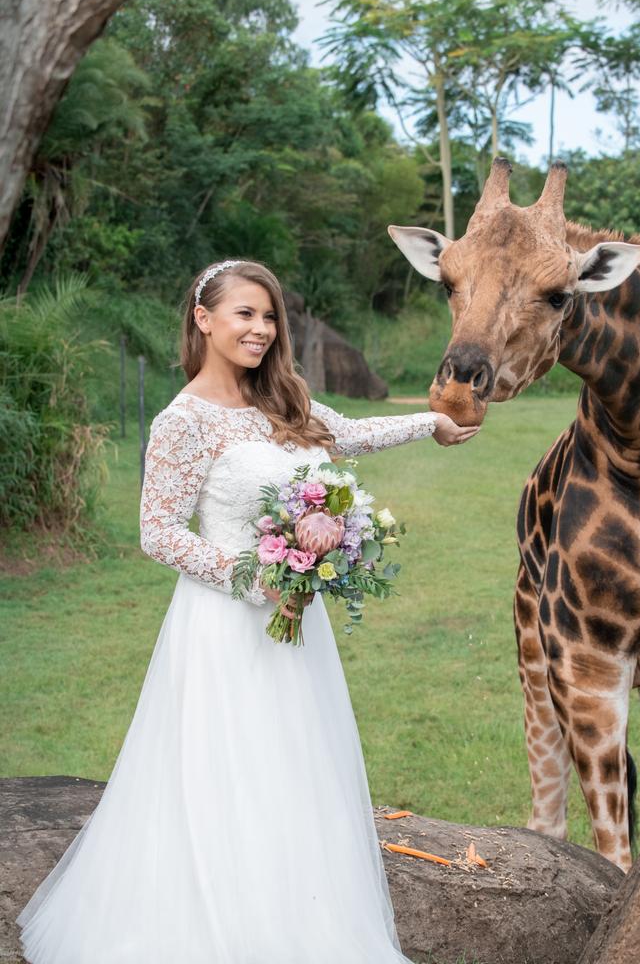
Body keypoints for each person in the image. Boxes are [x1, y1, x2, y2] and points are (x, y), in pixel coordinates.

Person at [16, 259, 479, 963]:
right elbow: (158, 532)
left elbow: (348, 434)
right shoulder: (184, 422)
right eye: (245, 315)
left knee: (299, 764)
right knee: (227, 770)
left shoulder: (283, 400)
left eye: (269, 317)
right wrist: (251, 578)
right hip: (224, 626)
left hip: (297, 629)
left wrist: (432, 423)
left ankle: (303, 914)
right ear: (204, 319)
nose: (261, 330)